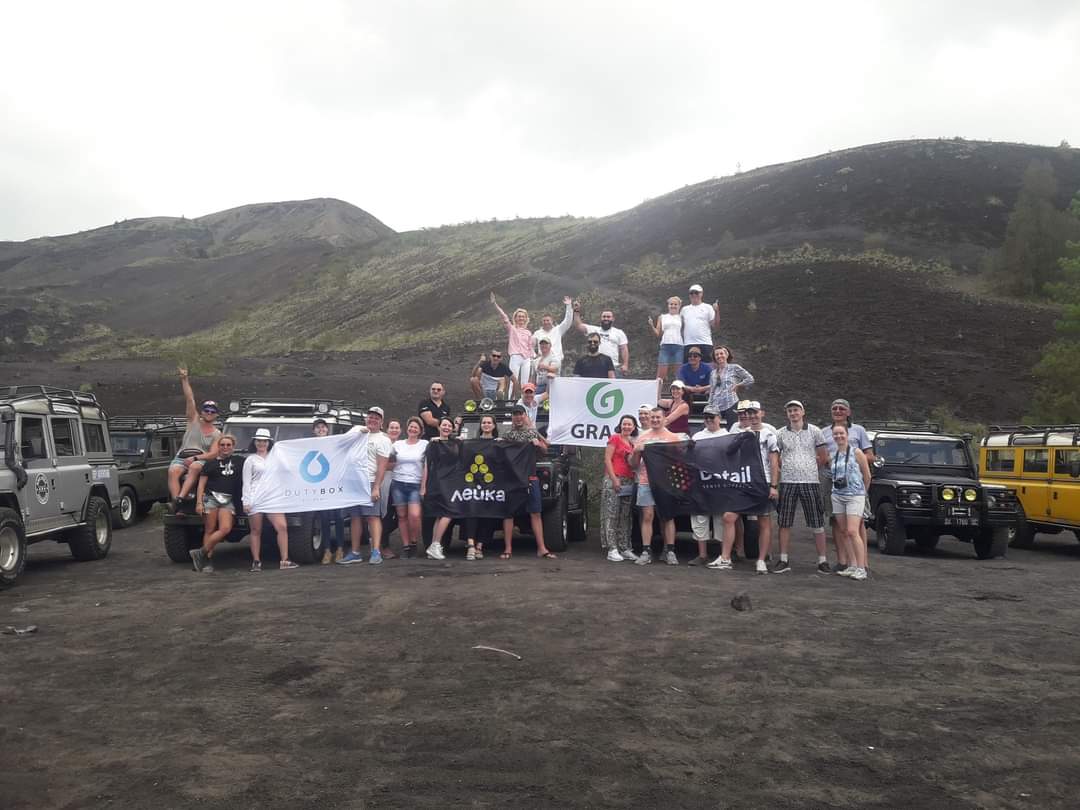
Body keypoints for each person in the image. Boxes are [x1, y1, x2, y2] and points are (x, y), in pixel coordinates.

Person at [708, 401, 779, 574]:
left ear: (762, 413)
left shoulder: (769, 434)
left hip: (762, 482)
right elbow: (729, 453)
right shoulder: (741, 433)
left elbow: (774, 462)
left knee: (764, 521)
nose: (752, 416)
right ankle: (725, 558)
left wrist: (774, 486)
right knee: (729, 517)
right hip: (743, 481)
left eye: (754, 412)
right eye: (749, 413)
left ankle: (761, 560)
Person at [774, 400, 830, 574]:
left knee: (817, 522)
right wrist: (789, 466)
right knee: (784, 522)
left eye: (796, 410)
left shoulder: (815, 431)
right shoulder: (780, 433)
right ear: (787, 414)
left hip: (810, 482)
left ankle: (822, 561)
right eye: (790, 410)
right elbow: (776, 458)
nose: (793, 413)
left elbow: (823, 456)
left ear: (803, 412)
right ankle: (783, 559)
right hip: (788, 482)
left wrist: (809, 467)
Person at [821, 398, 876, 572]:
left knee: (858, 523)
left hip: (854, 483)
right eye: (834, 408)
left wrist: (851, 459)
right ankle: (843, 561)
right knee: (837, 522)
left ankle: (863, 563)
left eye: (841, 408)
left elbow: (870, 455)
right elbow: (822, 457)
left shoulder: (858, 430)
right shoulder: (824, 432)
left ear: (849, 412)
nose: (838, 411)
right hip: (832, 481)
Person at [498, 405, 559, 560]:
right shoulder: (507, 435)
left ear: (525, 416)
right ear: (512, 417)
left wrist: (539, 445)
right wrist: (498, 443)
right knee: (509, 514)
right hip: (512, 480)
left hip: (530, 477)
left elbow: (545, 451)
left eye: (520, 414)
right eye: (515, 414)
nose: (518, 417)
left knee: (536, 512)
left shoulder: (532, 433)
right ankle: (508, 549)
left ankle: (542, 548)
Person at [339, 407, 393, 566]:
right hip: (353, 481)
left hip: (369, 481)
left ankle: (375, 551)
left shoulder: (383, 439)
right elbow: (340, 444)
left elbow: (382, 466)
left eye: (376, 418)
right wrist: (358, 433)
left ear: (381, 422)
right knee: (355, 517)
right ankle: (355, 552)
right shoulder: (356, 430)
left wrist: (376, 487)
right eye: (370, 417)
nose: (372, 420)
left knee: (372, 516)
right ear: (366, 419)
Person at [629, 407, 683, 566]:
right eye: (652, 418)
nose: (655, 420)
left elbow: (681, 460)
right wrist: (636, 452)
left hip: (666, 482)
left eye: (658, 417)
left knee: (667, 516)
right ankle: (646, 551)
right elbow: (633, 465)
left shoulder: (673, 438)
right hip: (646, 480)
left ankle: (670, 551)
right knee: (647, 516)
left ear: (664, 418)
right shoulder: (642, 437)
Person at [241, 428, 296, 572]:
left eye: (264, 441)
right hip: (255, 498)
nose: (261, 443)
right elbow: (246, 482)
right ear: (254, 442)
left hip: (273, 498)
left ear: (269, 442)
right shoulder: (250, 460)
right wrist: (246, 501)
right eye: (259, 441)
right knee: (256, 530)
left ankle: (284, 560)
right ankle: (256, 561)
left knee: (282, 527)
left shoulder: (276, 458)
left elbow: (288, 471)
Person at [168, 367, 221, 507]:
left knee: (195, 468)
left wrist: (195, 458)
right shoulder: (193, 420)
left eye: (212, 411)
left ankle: (180, 498)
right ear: (202, 412)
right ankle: (176, 504)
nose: (209, 413)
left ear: (216, 415)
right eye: (206, 410)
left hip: (200, 459)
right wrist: (184, 379)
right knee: (173, 471)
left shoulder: (217, 433)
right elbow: (190, 399)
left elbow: (214, 453)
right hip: (182, 456)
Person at [188, 434, 241, 573]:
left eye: (228, 445)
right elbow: (201, 485)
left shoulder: (239, 461)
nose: (225, 447)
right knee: (209, 530)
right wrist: (199, 503)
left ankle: (200, 552)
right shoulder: (210, 464)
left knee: (225, 529)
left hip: (227, 500)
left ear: (233, 447)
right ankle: (206, 561)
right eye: (222, 445)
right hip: (211, 499)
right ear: (218, 446)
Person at [829, 424, 872, 581]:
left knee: (854, 531)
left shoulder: (857, 452)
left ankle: (862, 568)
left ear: (847, 434)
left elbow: (867, 475)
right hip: (838, 495)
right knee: (844, 531)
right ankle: (852, 565)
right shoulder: (834, 454)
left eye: (841, 433)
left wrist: (862, 493)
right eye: (835, 434)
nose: (838, 436)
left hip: (854, 495)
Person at [687, 406, 728, 565]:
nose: (709, 420)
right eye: (706, 417)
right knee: (699, 518)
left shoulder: (727, 435)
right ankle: (702, 555)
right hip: (701, 485)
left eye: (712, 417)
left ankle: (722, 555)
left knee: (721, 519)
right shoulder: (697, 436)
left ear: (719, 417)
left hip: (721, 484)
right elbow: (690, 457)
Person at [602, 415, 639, 563]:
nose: (627, 427)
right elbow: (607, 459)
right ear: (620, 425)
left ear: (634, 427)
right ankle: (612, 548)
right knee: (612, 514)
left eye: (630, 425)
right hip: (614, 479)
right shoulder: (615, 438)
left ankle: (624, 547)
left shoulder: (632, 443)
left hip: (628, 481)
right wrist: (614, 478)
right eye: (624, 424)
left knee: (625, 516)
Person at [463, 414, 500, 560]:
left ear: (494, 426)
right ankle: (470, 545)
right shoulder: (471, 443)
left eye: (489, 422)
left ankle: (480, 546)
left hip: (491, 486)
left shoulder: (499, 443)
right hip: (473, 484)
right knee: (471, 512)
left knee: (487, 514)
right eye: (484, 422)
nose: (486, 424)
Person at [390, 416, 428, 559]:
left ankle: (414, 541)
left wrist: (423, 486)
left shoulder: (425, 444)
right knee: (402, 516)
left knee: (415, 515)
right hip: (398, 483)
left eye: (416, 428)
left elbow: (428, 464)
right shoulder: (398, 445)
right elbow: (388, 460)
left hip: (415, 484)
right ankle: (406, 546)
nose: (413, 429)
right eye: (411, 426)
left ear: (420, 431)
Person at [423, 417, 460, 560]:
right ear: (439, 427)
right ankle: (436, 544)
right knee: (448, 512)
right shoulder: (433, 444)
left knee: (442, 514)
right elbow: (426, 465)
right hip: (437, 483)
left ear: (452, 429)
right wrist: (423, 487)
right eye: (444, 425)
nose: (446, 427)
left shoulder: (456, 442)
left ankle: (433, 546)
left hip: (450, 483)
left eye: (449, 426)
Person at [313, 418, 346, 564]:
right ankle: (327, 550)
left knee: (339, 517)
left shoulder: (334, 443)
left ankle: (340, 549)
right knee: (325, 518)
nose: (321, 429)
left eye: (323, 427)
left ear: (328, 429)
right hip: (320, 487)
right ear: (313, 430)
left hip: (334, 486)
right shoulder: (309, 445)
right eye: (318, 427)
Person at [490, 292, 534, 398]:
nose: (521, 318)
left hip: (526, 358)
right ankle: (510, 400)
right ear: (515, 318)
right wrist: (495, 304)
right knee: (513, 380)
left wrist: (533, 358)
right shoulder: (512, 329)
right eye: (519, 316)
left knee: (524, 383)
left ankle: (524, 401)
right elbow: (504, 316)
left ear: (526, 318)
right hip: (515, 356)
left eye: (523, 317)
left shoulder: (528, 332)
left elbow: (530, 347)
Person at [573, 303, 629, 376]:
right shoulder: (594, 330)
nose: (606, 318)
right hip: (596, 367)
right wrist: (576, 311)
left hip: (614, 367)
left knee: (613, 388)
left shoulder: (619, 332)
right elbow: (579, 326)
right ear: (601, 318)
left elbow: (624, 349)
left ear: (613, 319)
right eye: (604, 316)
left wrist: (625, 364)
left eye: (608, 317)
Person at [707, 346, 754, 429]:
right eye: (716, 354)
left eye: (721, 353)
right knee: (713, 428)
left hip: (731, 403)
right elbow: (712, 390)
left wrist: (739, 385)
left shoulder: (734, 367)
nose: (719, 356)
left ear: (726, 355)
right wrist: (709, 404)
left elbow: (750, 379)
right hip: (716, 406)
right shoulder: (713, 373)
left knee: (732, 428)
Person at [680, 283, 720, 361]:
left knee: (707, 369)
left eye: (696, 292)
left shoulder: (708, 307)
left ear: (701, 294)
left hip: (705, 343)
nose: (694, 295)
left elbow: (715, 326)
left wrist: (717, 311)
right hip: (688, 344)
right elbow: (680, 326)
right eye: (691, 293)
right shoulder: (684, 309)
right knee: (689, 369)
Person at [649, 296, 683, 383]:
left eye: (675, 304)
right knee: (661, 374)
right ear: (668, 305)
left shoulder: (682, 317)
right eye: (671, 304)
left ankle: (679, 394)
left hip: (678, 346)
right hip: (665, 346)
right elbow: (658, 333)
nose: (673, 306)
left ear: (679, 306)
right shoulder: (662, 317)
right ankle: (656, 395)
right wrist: (652, 325)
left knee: (679, 374)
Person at [532, 296, 575, 363]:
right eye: (544, 321)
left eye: (548, 320)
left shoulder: (558, 329)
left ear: (552, 321)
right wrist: (534, 356)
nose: (546, 322)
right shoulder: (537, 333)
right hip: (542, 361)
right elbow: (530, 345)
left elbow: (568, 321)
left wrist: (569, 306)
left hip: (556, 360)